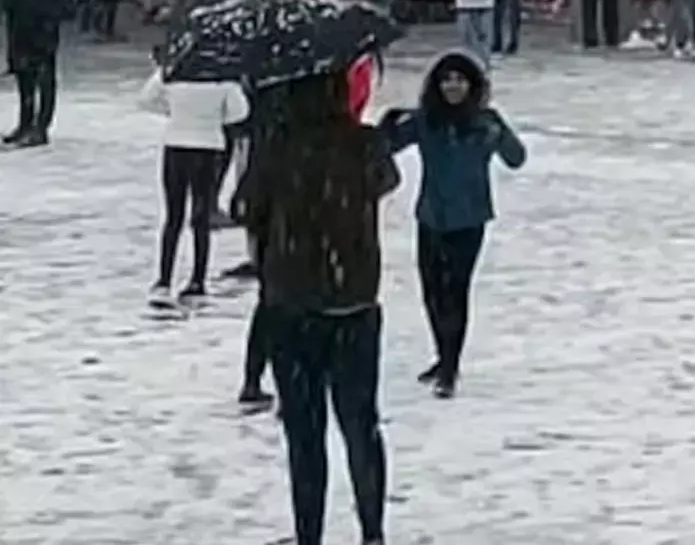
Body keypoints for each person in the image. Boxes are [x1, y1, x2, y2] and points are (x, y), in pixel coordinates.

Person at [232, 70, 399, 545]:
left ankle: (310, 534)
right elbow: (386, 181)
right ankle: (372, 531)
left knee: (305, 435)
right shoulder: (364, 143)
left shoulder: (276, 146)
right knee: (361, 425)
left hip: (292, 302)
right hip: (354, 301)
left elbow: (245, 208)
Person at [378, 51, 526, 398]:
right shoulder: (426, 120)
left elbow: (516, 158)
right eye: (447, 80)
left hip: (470, 218)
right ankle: (442, 354)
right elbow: (386, 146)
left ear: (472, 85)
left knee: (455, 292)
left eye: (460, 80)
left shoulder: (484, 121)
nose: (453, 86)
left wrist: (499, 132)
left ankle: (450, 367)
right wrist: (388, 122)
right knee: (432, 292)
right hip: (432, 216)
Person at [138, 56, 250, 308]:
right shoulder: (223, 80)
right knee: (201, 216)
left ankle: (164, 279)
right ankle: (197, 280)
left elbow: (146, 99)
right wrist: (216, 117)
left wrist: (172, 110)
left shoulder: (172, 75)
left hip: (175, 144)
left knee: (173, 216)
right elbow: (240, 111)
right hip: (209, 147)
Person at [3, 0, 62, 148]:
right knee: (23, 69)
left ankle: (40, 127)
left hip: (41, 9)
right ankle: (26, 122)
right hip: (21, 7)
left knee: (43, 68)